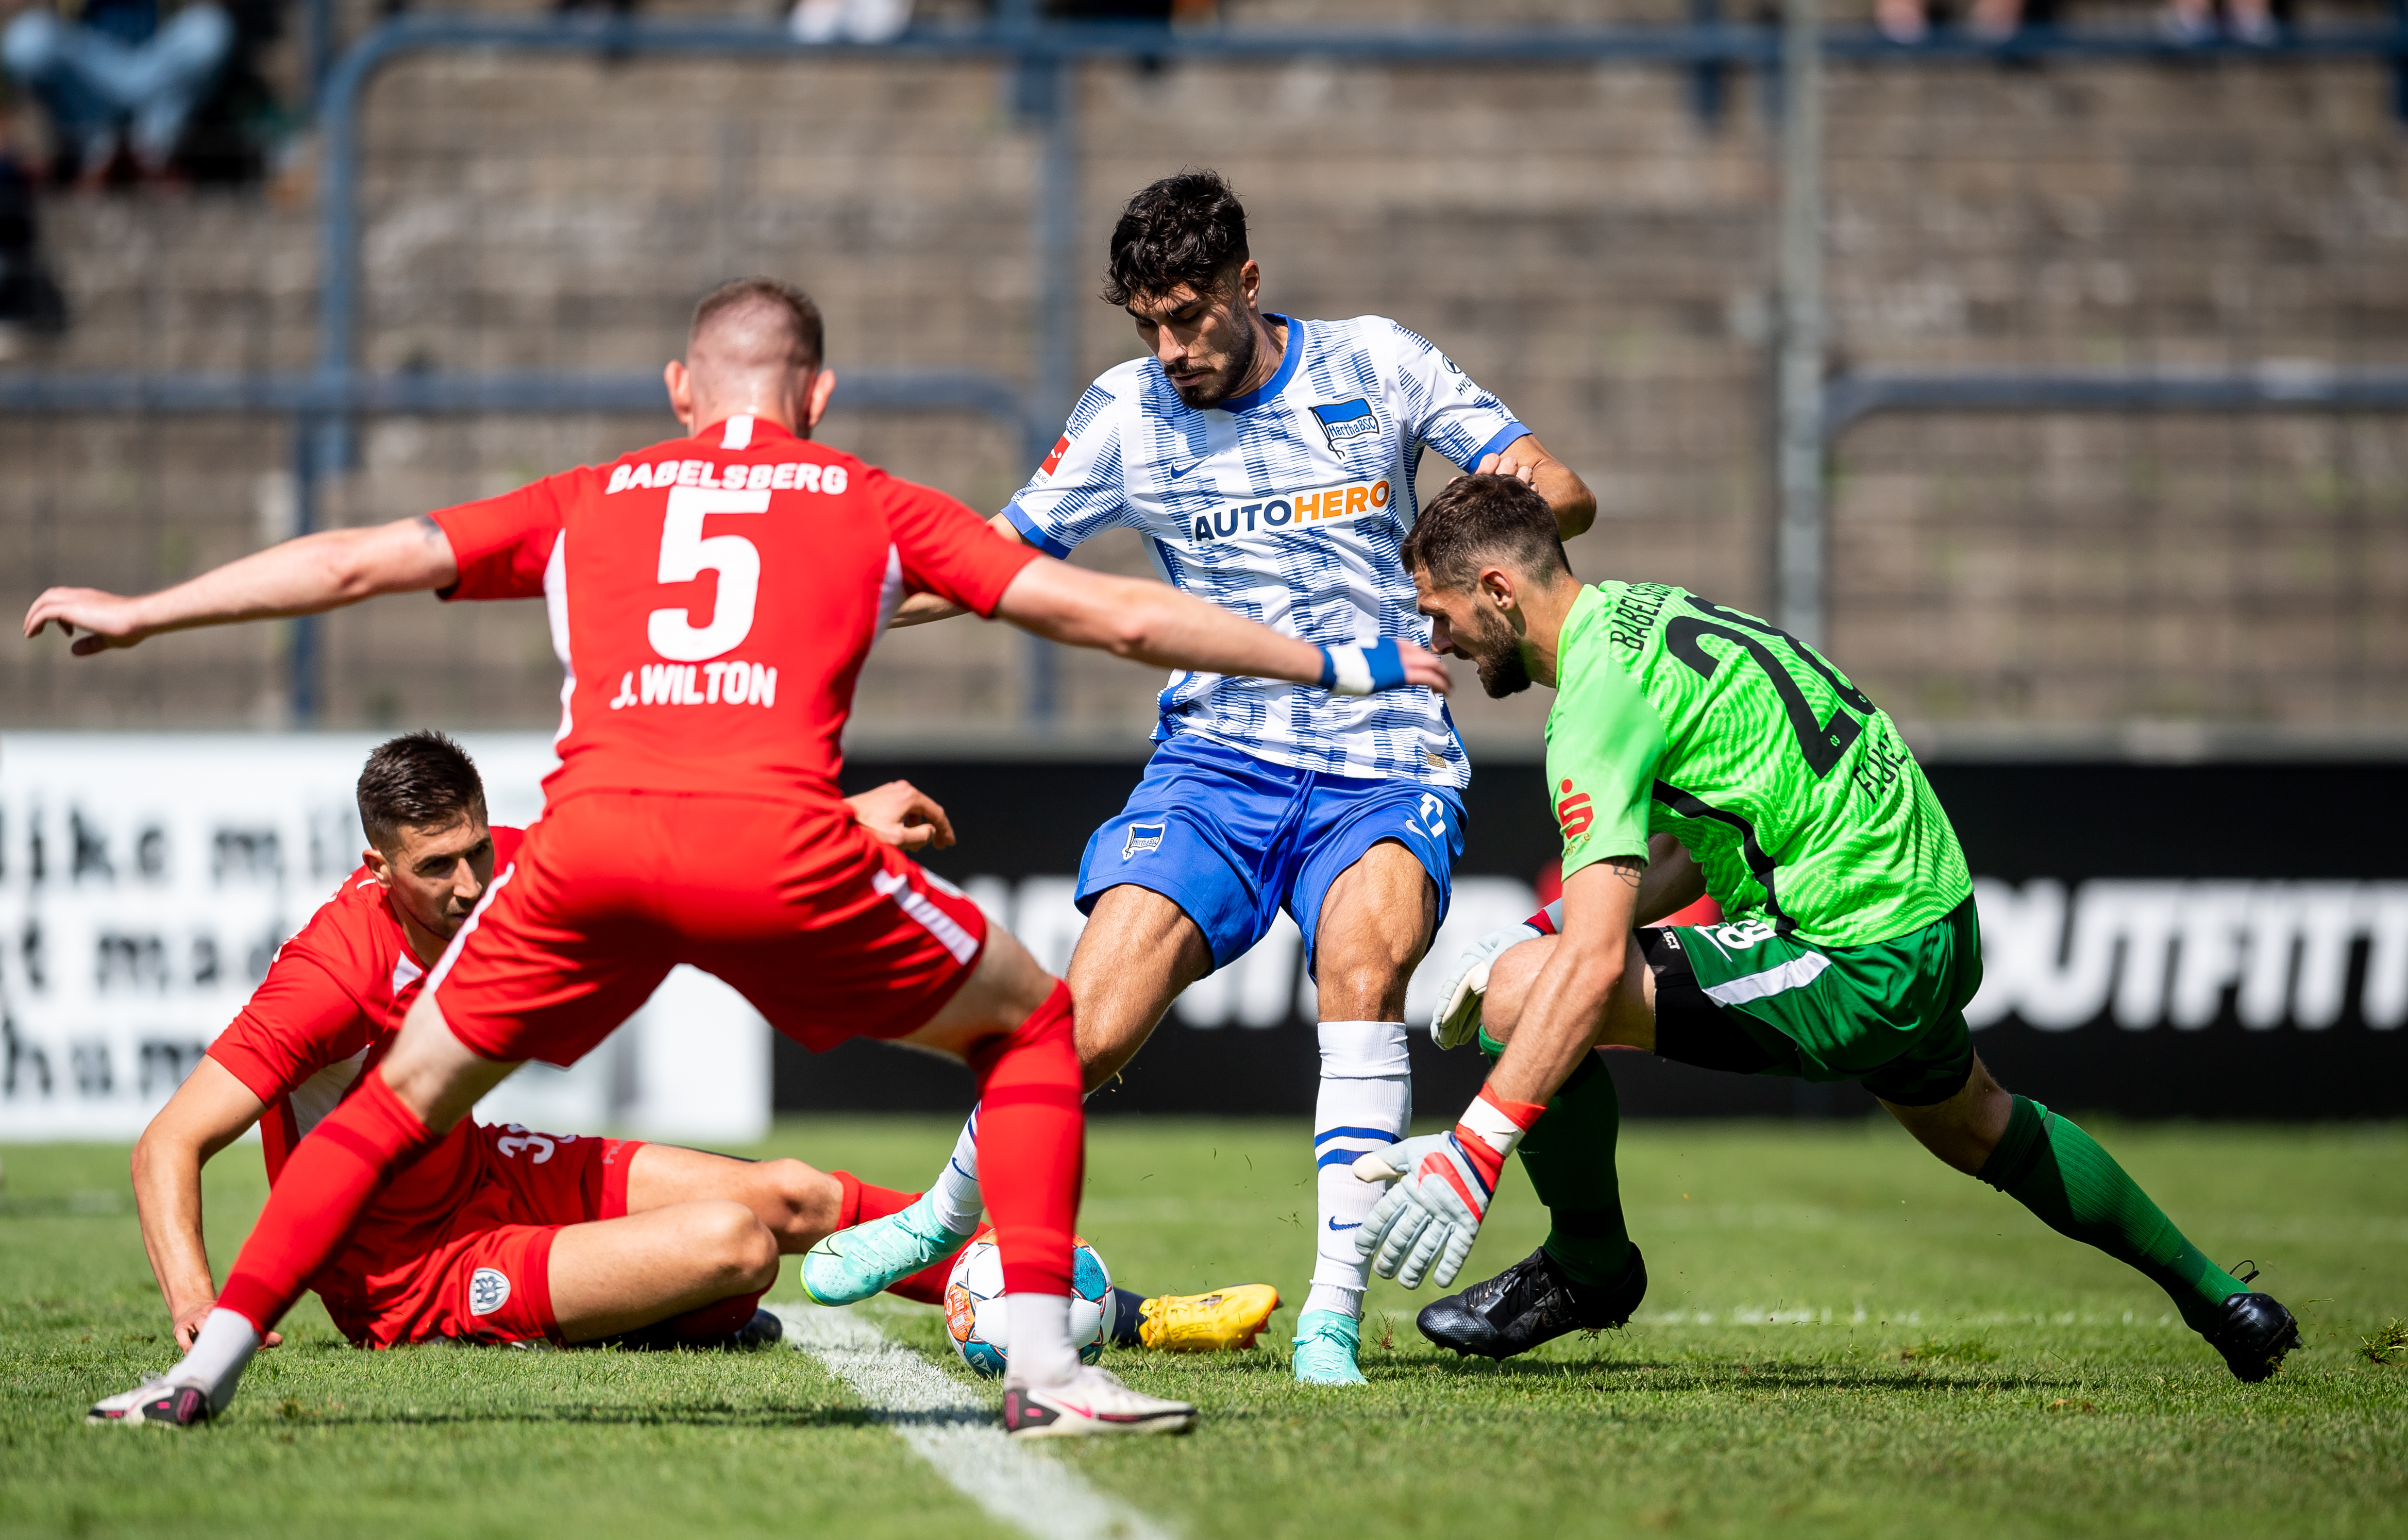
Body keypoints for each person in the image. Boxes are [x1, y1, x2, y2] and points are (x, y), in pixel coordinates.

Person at [30, 275, 1443, 1434]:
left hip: (591, 849)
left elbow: (349, 565)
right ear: (817, 397)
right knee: (1032, 1030)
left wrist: (149, 610)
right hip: (780, 843)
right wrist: (1346, 652)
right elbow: (1115, 619)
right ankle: (1045, 1373)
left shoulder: (591, 495)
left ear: (679, 390)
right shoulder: (868, 498)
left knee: (389, 1104)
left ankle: (197, 1369)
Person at [805, 170, 1596, 1387]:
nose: (1172, 350)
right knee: (1094, 1022)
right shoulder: (1124, 413)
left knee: (1362, 968)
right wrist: (822, 618)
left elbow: (1561, 490)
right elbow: (993, 565)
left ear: (1247, 284)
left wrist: (1468, 554)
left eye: (1191, 317)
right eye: (1148, 326)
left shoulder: (1373, 363)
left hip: (1383, 759)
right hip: (1214, 764)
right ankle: (941, 1211)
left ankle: (1329, 1317)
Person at [1347, 471, 2298, 1384]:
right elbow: (1692, 848)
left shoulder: (1594, 701)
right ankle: (2222, 1301)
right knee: (1976, 1123)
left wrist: (1473, 1150)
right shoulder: (1651, 613)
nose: (1441, 638)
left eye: (1440, 611)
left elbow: (1590, 969)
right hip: (1934, 917)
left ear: (1498, 590)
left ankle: (1589, 1266)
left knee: (1524, 992)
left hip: (1850, 954)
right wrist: (1538, 922)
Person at [134, 730, 1281, 1359]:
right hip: (408, 1277)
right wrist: (198, 1305)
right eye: (434, 868)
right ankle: (678, 1312)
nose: (468, 886)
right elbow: (170, 1143)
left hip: (490, 1175)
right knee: (736, 1248)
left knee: (793, 1192)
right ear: (378, 868)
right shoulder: (328, 974)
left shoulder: (495, 870)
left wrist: (845, 821)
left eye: (477, 851)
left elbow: (688, 842)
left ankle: (1117, 1313)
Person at [1, 0, 232, 184]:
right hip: (91, 63)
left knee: (210, 30)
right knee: (26, 42)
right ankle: (97, 150)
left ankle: (154, 149)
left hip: (157, 58)